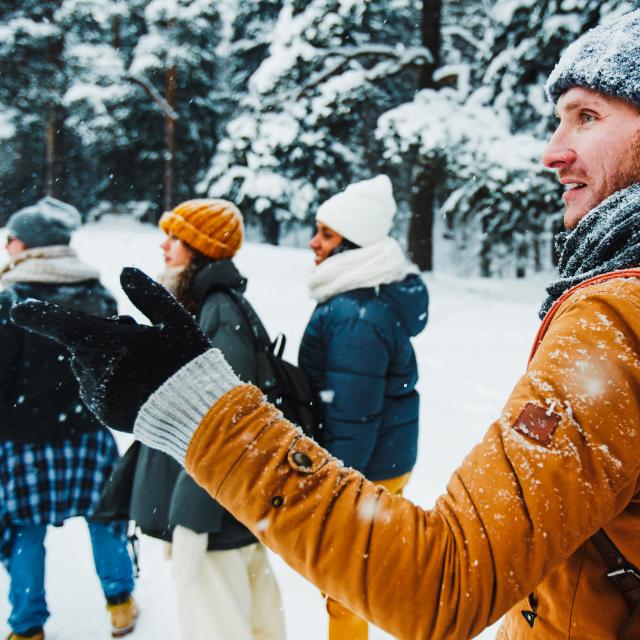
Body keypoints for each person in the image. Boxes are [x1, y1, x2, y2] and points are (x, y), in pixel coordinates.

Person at [11, 9, 640, 639]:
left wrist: (199, 412)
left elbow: (443, 576)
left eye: (587, 115)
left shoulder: (613, 320)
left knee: (345, 604)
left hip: (361, 480)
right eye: (558, 119)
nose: (552, 151)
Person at [127, 199, 285, 640]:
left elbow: (225, 423)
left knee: (217, 628)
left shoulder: (218, 311)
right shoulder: (216, 304)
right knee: (257, 625)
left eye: (175, 238)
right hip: (232, 508)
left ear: (199, 248)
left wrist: (194, 520)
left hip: (215, 515)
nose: (164, 246)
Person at [0, 197, 136, 640]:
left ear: (33, 245)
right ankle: (120, 603)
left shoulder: (12, 300)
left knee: (25, 530)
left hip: (23, 439)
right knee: (104, 518)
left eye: (12, 239)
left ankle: (27, 626)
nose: (7, 246)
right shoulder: (95, 293)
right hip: (86, 432)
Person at [299, 175, 428, 639]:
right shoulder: (358, 299)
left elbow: (355, 412)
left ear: (352, 243)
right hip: (382, 460)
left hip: (364, 466)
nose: (313, 242)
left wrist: (334, 484)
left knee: (347, 583)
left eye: (327, 234)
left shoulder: (358, 314)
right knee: (365, 574)